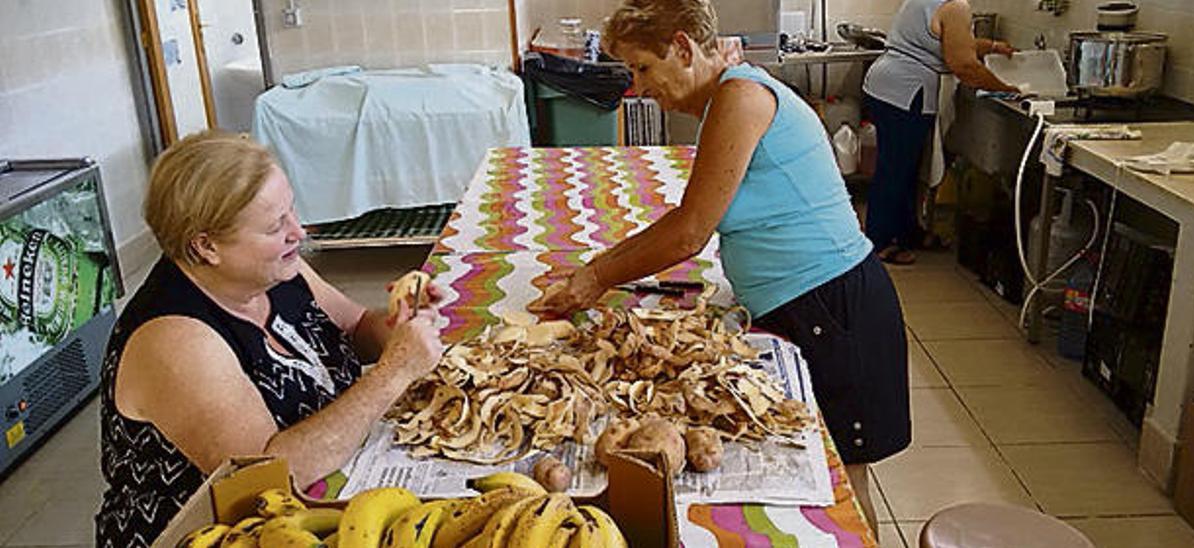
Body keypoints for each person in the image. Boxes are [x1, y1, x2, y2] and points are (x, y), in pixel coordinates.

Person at [530, 0, 908, 536]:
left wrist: (595, 278)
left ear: (683, 48)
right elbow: (693, 216)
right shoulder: (727, 95)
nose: (637, 88)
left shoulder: (740, 98)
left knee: (841, 482)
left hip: (836, 308)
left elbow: (690, 229)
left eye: (642, 67)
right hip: (806, 305)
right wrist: (598, 268)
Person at [95, 131, 444, 547]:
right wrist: (394, 372)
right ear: (206, 246)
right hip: (217, 532)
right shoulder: (173, 338)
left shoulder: (272, 273)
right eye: (276, 225)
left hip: (328, 485)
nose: (298, 231)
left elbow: (355, 328)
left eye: (291, 210)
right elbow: (269, 474)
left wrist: (400, 323)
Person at [862, 0, 1018, 265]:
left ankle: (907, 231)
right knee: (896, 170)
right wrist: (1008, 88)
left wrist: (992, 47)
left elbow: (951, 42)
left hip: (886, 85)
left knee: (906, 169)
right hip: (904, 92)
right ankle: (880, 241)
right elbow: (964, 65)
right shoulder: (955, 6)